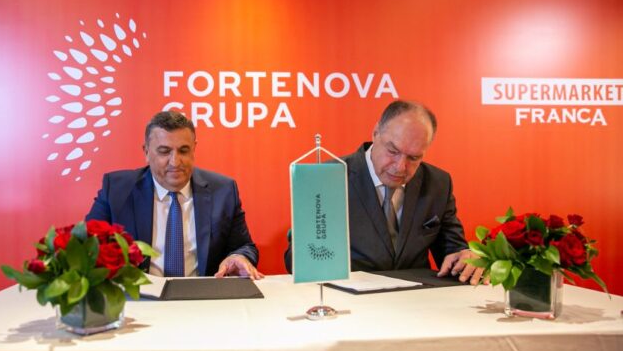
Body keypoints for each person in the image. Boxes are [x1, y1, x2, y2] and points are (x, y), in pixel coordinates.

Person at [285, 100, 482, 284]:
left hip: (418, 299)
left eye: (413, 158)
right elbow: (296, 261)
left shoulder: (438, 183)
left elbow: (452, 250)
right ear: (375, 133)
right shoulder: (326, 179)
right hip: (348, 298)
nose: (400, 167)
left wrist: (464, 257)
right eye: (393, 151)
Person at [86, 111, 263, 279]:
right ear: (146, 151)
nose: (175, 162)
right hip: (139, 294)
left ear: (194, 149)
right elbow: (86, 246)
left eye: (183, 151)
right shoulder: (116, 190)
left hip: (204, 295)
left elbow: (244, 246)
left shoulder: (223, 190)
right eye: (164, 151)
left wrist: (239, 257)